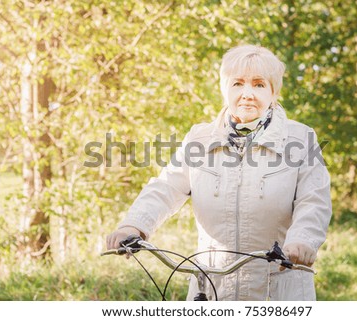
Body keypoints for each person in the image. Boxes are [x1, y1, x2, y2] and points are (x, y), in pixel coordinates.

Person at [106, 44, 332, 301]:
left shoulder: (301, 138)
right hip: (211, 287)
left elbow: (314, 201)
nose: (247, 94)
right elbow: (166, 187)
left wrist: (301, 241)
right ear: (225, 89)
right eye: (238, 83)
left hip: (278, 286)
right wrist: (133, 225)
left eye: (258, 84)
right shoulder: (199, 139)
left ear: (273, 91)